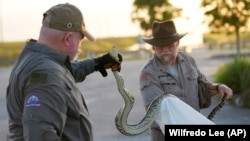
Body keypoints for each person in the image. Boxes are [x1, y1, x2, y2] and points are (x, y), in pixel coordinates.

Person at [6, 3, 122, 141]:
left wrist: (97, 63)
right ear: (67, 38)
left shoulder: (37, 61)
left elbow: (64, 73)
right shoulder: (47, 75)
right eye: (80, 40)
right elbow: (40, 136)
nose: (80, 46)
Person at [139, 20, 233, 141]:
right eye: (160, 47)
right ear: (154, 48)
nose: (165, 50)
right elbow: (157, 110)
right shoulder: (148, 73)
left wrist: (218, 87)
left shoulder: (188, 61)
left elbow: (202, 86)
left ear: (177, 43)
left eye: (169, 45)